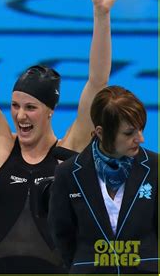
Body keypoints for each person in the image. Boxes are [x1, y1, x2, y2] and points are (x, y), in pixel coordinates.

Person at [0, 0, 121, 274]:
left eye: (31, 107)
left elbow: (97, 82)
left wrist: (101, 15)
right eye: (16, 106)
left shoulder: (69, 153)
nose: (20, 115)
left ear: (49, 110)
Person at [48, 85, 158, 274]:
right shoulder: (68, 173)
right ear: (101, 132)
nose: (140, 138)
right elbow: (62, 235)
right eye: (129, 133)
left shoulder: (155, 168)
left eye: (140, 129)